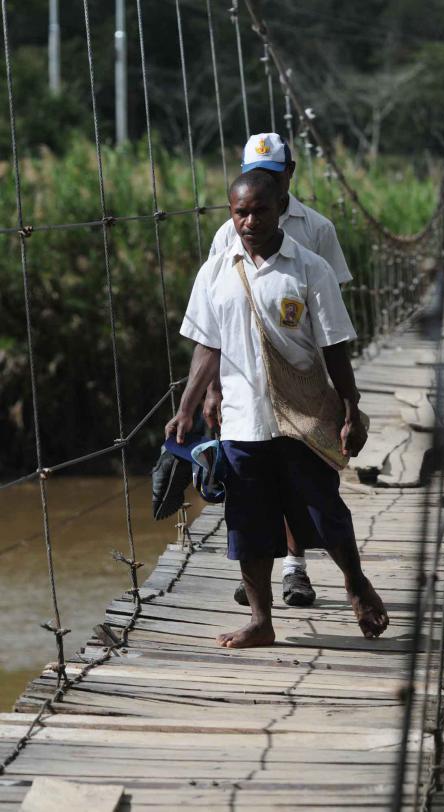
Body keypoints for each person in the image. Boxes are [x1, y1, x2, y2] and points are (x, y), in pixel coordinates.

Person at [165, 169, 388, 648]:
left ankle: (355, 583)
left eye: (259, 210)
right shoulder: (216, 271)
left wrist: (350, 407)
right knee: (248, 522)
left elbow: (334, 346)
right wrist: (186, 408)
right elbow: (207, 346)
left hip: (301, 417)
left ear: (280, 206)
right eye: (240, 212)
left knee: (323, 508)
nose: (249, 221)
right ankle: (261, 621)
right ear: (231, 213)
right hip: (243, 421)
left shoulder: (309, 269)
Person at [205, 132, 352, 609]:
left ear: (289, 174)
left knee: (309, 489)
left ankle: (301, 566)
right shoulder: (229, 233)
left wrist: (346, 396)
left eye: (272, 175)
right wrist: (208, 392)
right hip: (245, 385)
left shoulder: (317, 230)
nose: (251, 218)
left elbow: (333, 316)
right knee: (253, 490)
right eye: (255, 175)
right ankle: (266, 578)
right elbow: (213, 318)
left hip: (302, 377)